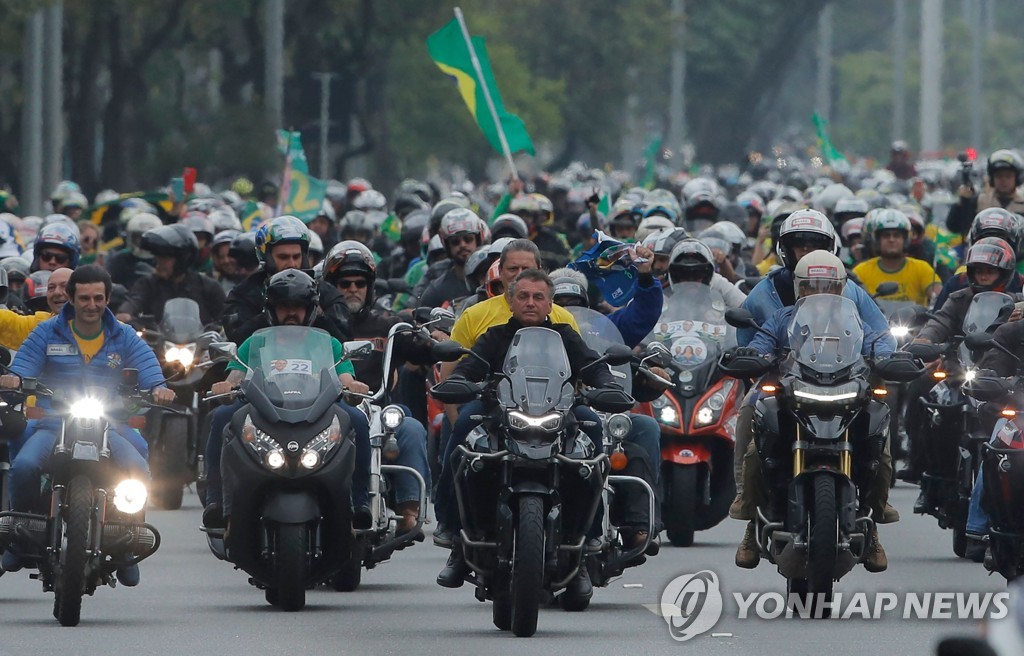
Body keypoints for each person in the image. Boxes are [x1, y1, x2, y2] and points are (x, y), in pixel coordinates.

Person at [434, 269, 625, 601]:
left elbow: (592, 366)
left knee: (593, 428)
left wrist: (607, 384)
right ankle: (457, 538)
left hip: (558, 415)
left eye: (538, 297)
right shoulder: (494, 337)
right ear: (510, 301)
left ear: (550, 303)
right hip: (501, 415)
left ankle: (585, 547)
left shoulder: (565, 335)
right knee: (464, 430)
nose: (531, 302)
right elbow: (471, 366)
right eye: (523, 296)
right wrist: (461, 380)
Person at [0, 265, 177, 585]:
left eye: (98, 298)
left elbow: (147, 364)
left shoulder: (123, 335)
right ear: (71, 297)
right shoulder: (46, 331)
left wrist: (158, 387)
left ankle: (127, 538)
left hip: (111, 423)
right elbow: (25, 364)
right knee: (24, 466)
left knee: (137, 464)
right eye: (84, 298)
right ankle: (21, 535)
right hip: (53, 422)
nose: (91, 304)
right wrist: (14, 378)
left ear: (108, 299)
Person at [731, 251, 896, 572]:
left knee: (880, 435)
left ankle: (873, 517)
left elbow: (880, 340)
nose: (821, 291)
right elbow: (761, 342)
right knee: (755, 438)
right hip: (793, 395)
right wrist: (751, 355)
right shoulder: (783, 318)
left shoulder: (855, 322)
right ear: (798, 287)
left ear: (841, 289)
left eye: (830, 285)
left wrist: (889, 357)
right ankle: (751, 520)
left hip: (847, 394)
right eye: (811, 285)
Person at [202, 269, 372, 530]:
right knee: (221, 416)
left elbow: (345, 378)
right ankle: (217, 502)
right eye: (284, 307)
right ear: (271, 309)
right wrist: (225, 385)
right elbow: (236, 377)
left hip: (318, 409)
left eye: (298, 307)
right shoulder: (254, 342)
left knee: (358, 420)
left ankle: (358, 502)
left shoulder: (328, 344)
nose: (291, 313)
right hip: (263, 408)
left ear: (311, 310)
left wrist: (354, 386)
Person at [320, 241, 437, 535]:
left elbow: (425, 352)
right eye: (344, 283)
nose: (352, 289)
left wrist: (435, 340)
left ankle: (409, 511)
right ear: (330, 287)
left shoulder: (389, 327)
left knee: (410, 426)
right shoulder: (316, 328)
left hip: (379, 412)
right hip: (324, 412)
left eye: (360, 283)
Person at [221, 215, 350, 345]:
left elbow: (344, 342)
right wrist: (270, 312)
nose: (291, 264)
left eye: (296, 256)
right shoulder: (243, 293)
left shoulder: (326, 293)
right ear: (267, 257)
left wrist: (317, 314)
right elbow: (235, 340)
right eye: (283, 257)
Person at [116, 224, 225, 326]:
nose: (158, 263)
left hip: (201, 344)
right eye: (157, 257)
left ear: (182, 259)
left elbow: (225, 318)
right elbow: (135, 300)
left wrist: (218, 329)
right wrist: (126, 313)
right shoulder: (147, 284)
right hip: (155, 343)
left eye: (164, 258)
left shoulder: (209, 287)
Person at [852, 209, 941, 305]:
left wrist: (935, 297)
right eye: (886, 236)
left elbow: (938, 297)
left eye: (897, 235)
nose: (891, 240)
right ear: (877, 240)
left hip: (914, 320)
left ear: (905, 239)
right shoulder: (861, 271)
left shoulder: (922, 268)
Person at [417, 209, 489, 309]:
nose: (462, 245)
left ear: (478, 239)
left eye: (468, 239)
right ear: (447, 245)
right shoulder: (437, 290)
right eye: (455, 242)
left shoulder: (496, 280)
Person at [947, 149, 1024, 236]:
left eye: (1008, 176)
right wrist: (962, 203)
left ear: (1017, 179)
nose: (1004, 180)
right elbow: (955, 227)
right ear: (992, 179)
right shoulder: (979, 201)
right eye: (999, 176)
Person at [666, 238, 746, 309]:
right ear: (674, 276)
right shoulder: (663, 289)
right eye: (684, 274)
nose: (691, 281)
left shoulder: (717, 282)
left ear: (708, 276)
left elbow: (746, 306)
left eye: (697, 274)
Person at [0, 267, 70, 348]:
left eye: (65, 286)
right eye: (51, 287)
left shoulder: (87, 326)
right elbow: (7, 321)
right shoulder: (39, 326)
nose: (57, 292)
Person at [105, 212, 162, 289]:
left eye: (149, 238)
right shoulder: (120, 259)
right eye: (138, 237)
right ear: (130, 238)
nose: (144, 243)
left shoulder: (165, 260)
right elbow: (107, 282)